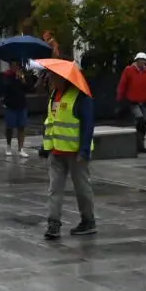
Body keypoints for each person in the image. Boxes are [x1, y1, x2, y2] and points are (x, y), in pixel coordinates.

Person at [42, 73, 96, 239]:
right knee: (54, 189)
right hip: (56, 150)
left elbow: (88, 124)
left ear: (64, 78)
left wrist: (84, 149)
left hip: (75, 153)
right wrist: (45, 146)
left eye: (54, 77)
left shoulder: (81, 97)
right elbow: (51, 121)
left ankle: (88, 221)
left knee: (82, 188)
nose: (51, 80)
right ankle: (53, 224)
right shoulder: (54, 95)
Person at [115, 52, 146, 154]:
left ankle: (140, 143)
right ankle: (139, 145)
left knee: (144, 124)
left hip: (145, 101)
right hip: (133, 101)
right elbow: (122, 84)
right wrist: (119, 98)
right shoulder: (129, 70)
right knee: (140, 120)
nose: (141, 62)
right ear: (136, 61)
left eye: (143, 61)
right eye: (140, 60)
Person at [1, 65, 30, 157]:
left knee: (21, 127)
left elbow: (27, 88)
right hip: (10, 105)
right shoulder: (7, 76)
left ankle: (21, 148)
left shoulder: (22, 76)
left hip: (21, 104)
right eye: (14, 65)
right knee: (9, 127)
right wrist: (14, 78)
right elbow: (5, 88)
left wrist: (22, 79)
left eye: (17, 66)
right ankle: (8, 146)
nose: (16, 68)